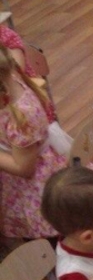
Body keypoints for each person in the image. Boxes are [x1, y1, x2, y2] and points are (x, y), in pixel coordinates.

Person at [0, 46, 67, 242]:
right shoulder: (12, 80)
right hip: (40, 167)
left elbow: (24, 168)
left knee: (48, 242)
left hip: (35, 188)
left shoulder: (20, 117)